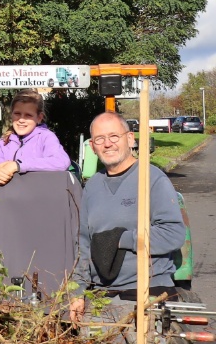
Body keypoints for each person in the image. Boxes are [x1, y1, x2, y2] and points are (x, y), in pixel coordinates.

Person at [70, 112, 185, 330]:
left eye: (114, 136)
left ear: (130, 139)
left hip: (146, 294)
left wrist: (120, 239)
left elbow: (173, 234)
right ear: (93, 147)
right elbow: (83, 244)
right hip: (101, 296)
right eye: (99, 139)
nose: (107, 144)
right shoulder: (92, 186)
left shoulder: (151, 179)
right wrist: (77, 292)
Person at [0, 89, 69, 186]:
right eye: (17, 114)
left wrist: (18, 165)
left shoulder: (46, 137)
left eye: (28, 115)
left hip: (37, 196)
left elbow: (61, 161)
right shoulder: (4, 141)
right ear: (11, 114)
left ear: (39, 118)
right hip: (8, 197)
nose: (21, 120)